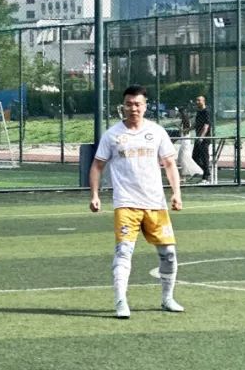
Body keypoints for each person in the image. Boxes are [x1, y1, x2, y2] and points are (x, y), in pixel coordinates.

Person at [89, 84, 185, 319]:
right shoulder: (112, 135)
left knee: (169, 253)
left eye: (138, 104)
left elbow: (169, 163)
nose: (133, 108)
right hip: (126, 203)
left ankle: (167, 298)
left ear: (145, 106)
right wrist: (95, 195)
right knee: (124, 252)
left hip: (155, 203)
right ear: (123, 106)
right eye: (129, 104)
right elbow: (97, 165)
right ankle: (121, 301)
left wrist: (176, 193)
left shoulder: (157, 132)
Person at [192, 95, 212, 184]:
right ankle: (207, 172)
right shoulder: (199, 112)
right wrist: (188, 129)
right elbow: (196, 124)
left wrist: (202, 137)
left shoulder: (206, 111)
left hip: (204, 138)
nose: (197, 102)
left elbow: (206, 125)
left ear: (203, 101)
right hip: (198, 138)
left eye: (199, 100)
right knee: (195, 157)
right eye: (196, 100)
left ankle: (206, 178)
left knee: (204, 157)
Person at [177, 114, 203, 179]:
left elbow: (184, 132)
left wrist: (177, 126)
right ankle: (183, 175)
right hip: (183, 142)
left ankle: (195, 171)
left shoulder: (187, 124)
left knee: (184, 158)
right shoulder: (183, 123)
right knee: (180, 158)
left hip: (185, 142)